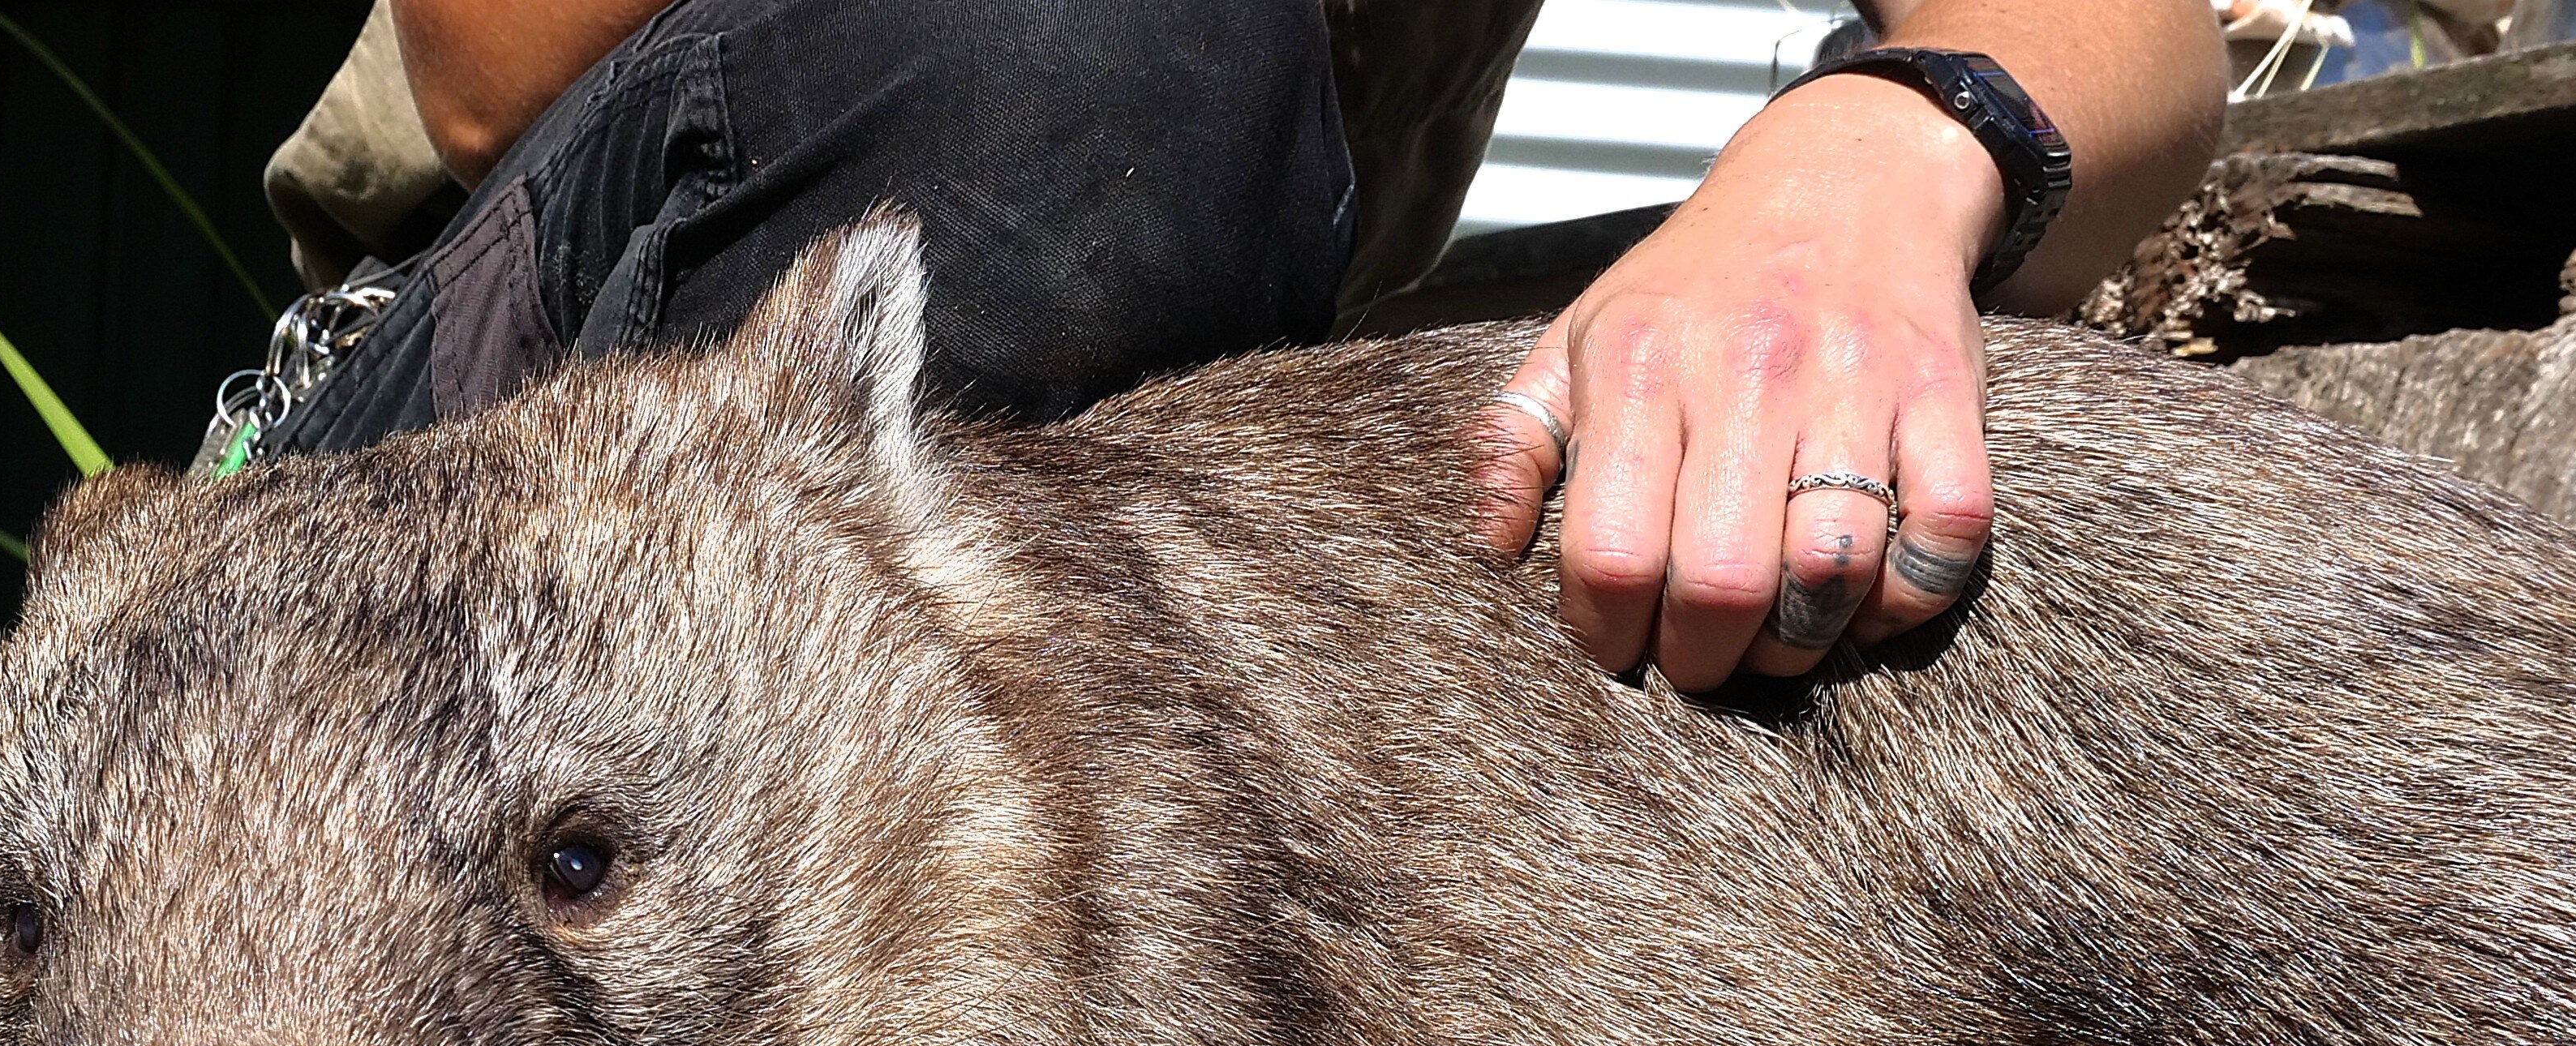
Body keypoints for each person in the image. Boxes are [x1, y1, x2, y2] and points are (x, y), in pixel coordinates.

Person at [244, 0, 2224, 693]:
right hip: (479, 468)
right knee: (1082, 42)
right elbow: (490, 64)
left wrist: (1872, 159)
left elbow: (2126, 44)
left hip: (1114, 465)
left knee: (1819, 398)